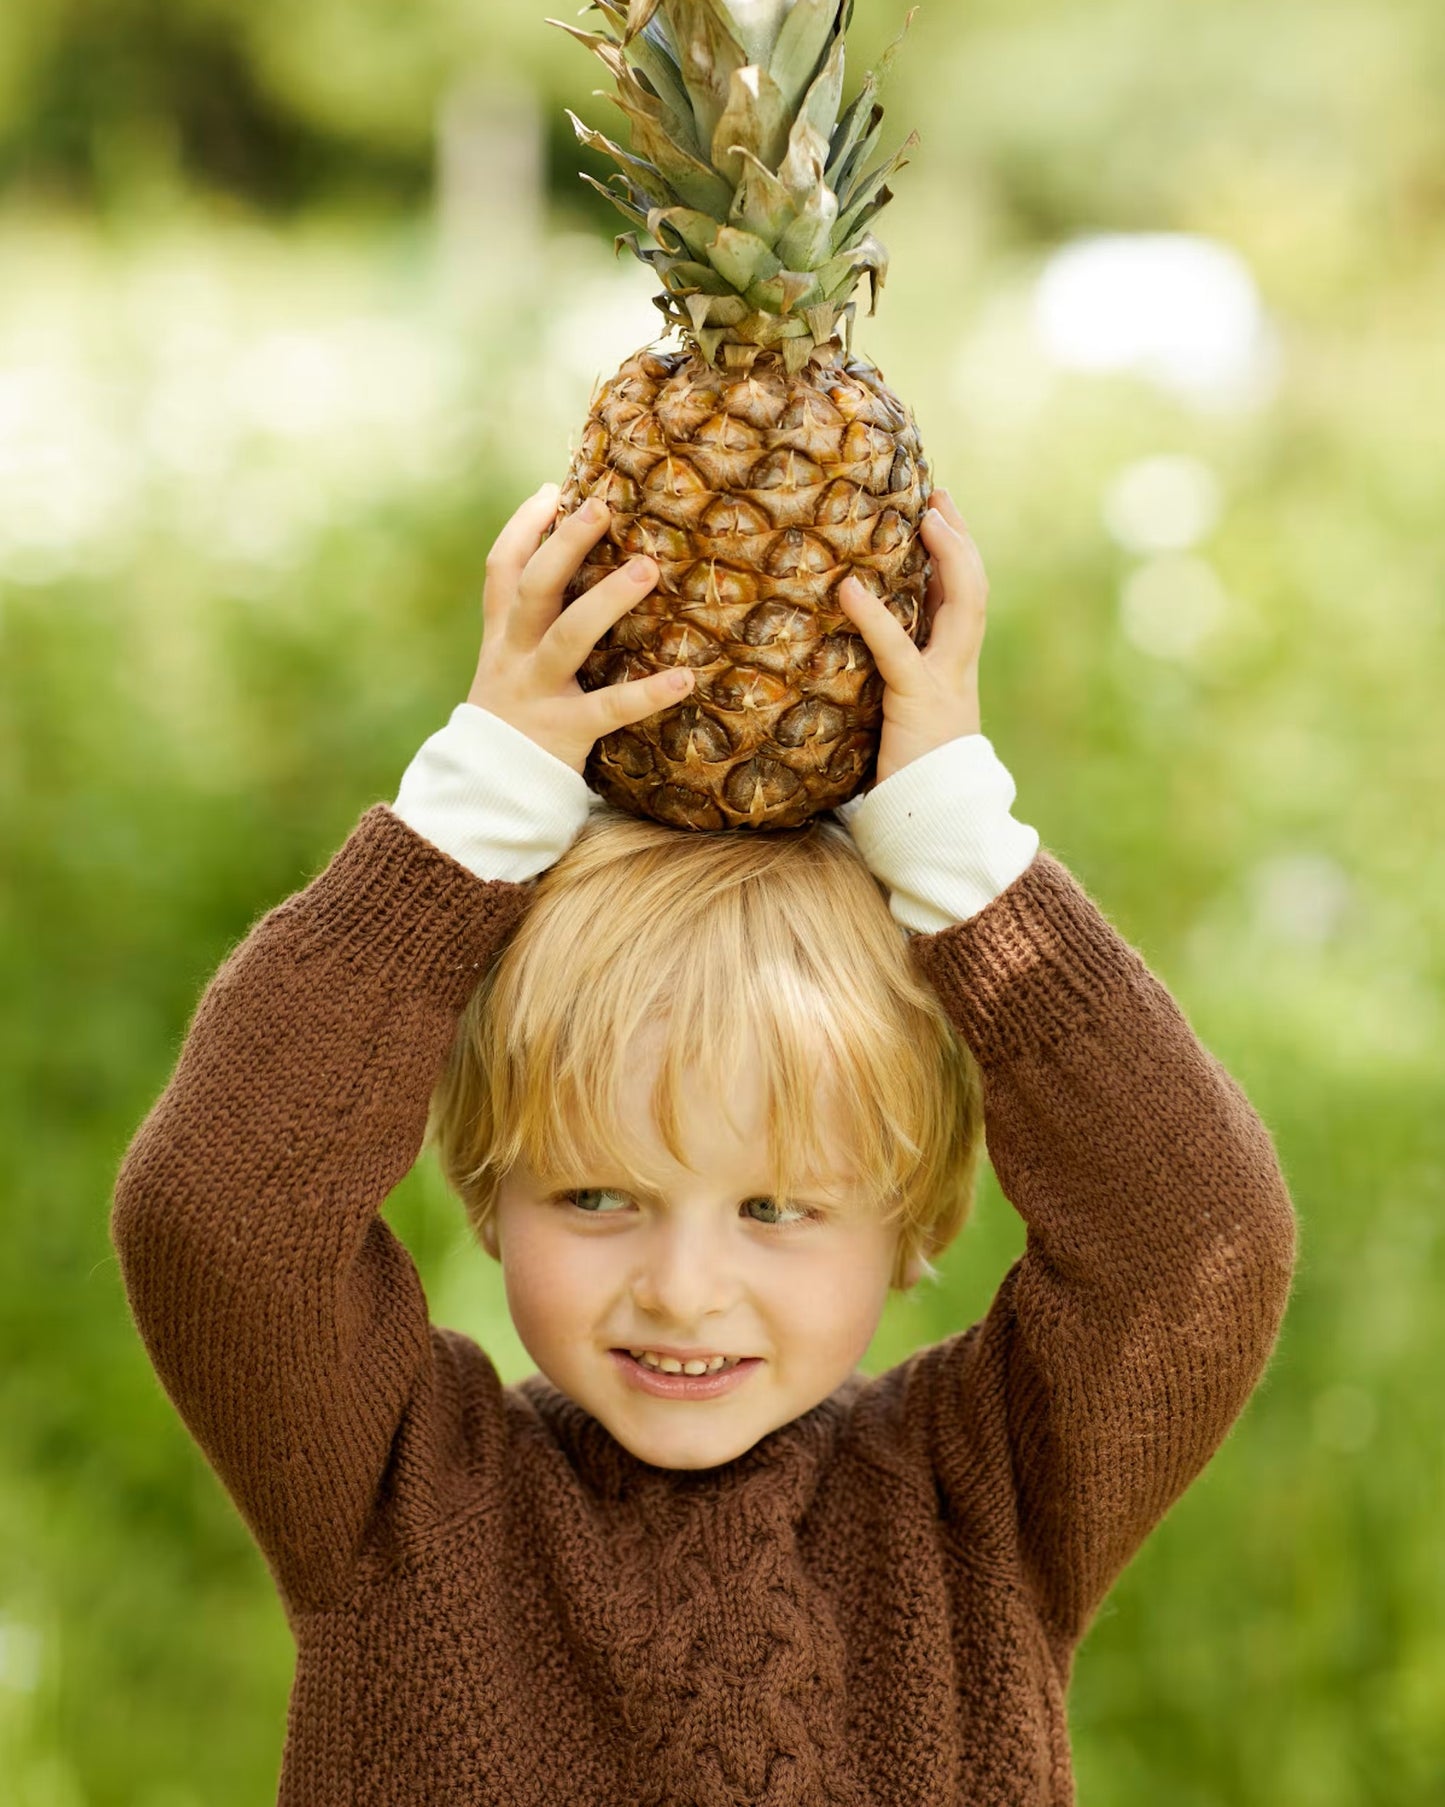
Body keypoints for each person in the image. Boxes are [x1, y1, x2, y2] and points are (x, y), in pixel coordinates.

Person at [111, 481, 1298, 1805]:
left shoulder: (990, 1502)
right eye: (599, 1195)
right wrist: (470, 817)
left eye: (776, 1211)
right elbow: (220, 1215)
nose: (681, 1287)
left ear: (909, 1217)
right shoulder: (397, 1496)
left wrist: (959, 850)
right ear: (491, 1198)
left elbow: (1193, 1239)